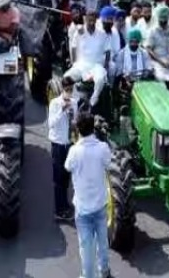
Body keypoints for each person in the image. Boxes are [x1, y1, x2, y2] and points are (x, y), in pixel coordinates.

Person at [65, 112, 113, 278]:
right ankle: (105, 271)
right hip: (100, 206)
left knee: (86, 249)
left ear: (78, 129)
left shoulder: (74, 151)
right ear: (93, 127)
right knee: (103, 243)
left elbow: (67, 167)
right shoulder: (103, 148)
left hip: (83, 209)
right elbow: (109, 163)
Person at [47, 77, 78, 221]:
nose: (69, 93)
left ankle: (65, 205)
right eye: (67, 90)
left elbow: (75, 122)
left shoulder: (74, 103)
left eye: (71, 90)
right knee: (58, 179)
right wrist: (62, 110)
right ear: (62, 90)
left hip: (68, 144)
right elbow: (51, 123)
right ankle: (59, 210)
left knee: (66, 178)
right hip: (58, 145)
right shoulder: (55, 103)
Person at [67, 10, 112, 109]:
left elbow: (108, 51)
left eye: (93, 18)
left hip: (96, 66)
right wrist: (74, 62)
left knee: (100, 79)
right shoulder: (79, 32)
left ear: (96, 20)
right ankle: (70, 101)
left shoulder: (102, 34)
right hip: (81, 65)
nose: (91, 20)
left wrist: (106, 66)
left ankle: (93, 100)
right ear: (85, 19)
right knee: (67, 78)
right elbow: (73, 47)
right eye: (89, 18)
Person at [145, 5, 169, 95]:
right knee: (161, 77)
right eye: (161, 20)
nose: (163, 22)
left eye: (165, 20)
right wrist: (161, 62)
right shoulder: (152, 31)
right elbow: (149, 49)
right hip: (157, 60)